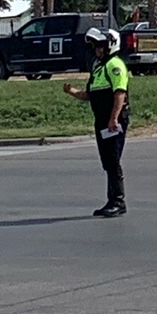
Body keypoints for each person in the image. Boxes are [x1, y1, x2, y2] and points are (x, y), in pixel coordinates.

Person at [65, 27, 130, 217]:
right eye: (96, 47)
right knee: (107, 162)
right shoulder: (98, 67)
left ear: (110, 45)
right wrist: (72, 92)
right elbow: (90, 95)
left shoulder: (115, 65)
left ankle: (118, 201)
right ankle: (111, 200)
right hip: (102, 121)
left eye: (101, 46)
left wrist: (114, 118)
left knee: (113, 160)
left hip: (112, 122)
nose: (98, 50)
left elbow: (120, 93)